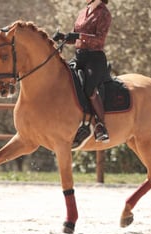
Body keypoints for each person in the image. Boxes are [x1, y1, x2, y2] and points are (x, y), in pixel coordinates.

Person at [53, 0, 111, 143]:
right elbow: (76, 37)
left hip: (95, 58)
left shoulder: (104, 13)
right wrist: (65, 37)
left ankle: (100, 125)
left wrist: (79, 36)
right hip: (80, 56)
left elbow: (99, 40)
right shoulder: (83, 12)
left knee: (89, 88)